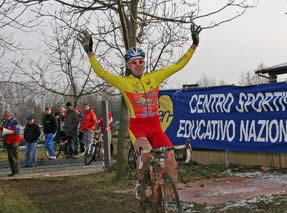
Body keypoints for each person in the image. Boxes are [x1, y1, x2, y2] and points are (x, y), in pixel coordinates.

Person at [78, 24, 202, 200]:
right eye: (134, 62)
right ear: (128, 65)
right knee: (145, 153)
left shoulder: (155, 77)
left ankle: (170, 198)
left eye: (141, 61)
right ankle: (141, 182)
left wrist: (194, 45)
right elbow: (102, 73)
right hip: (138, 129)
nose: (138, 65)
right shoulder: (124, 82)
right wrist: (90, 53)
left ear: (144, 62)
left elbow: (178, 65)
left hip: (156, 127)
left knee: (170, 157)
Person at [0, 112, 23, 176]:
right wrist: (1, 128)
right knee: (10, 157)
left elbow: (19, 132)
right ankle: (13, 171)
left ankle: (16, 172)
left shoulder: (15, 122)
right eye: (5, 116)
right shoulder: (6, 122)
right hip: (8, 142)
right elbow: (4, 131)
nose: (5, 118)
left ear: (10, 116)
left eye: (6, 116)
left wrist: (16, 141)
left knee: (14, 157)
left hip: (14, 142)